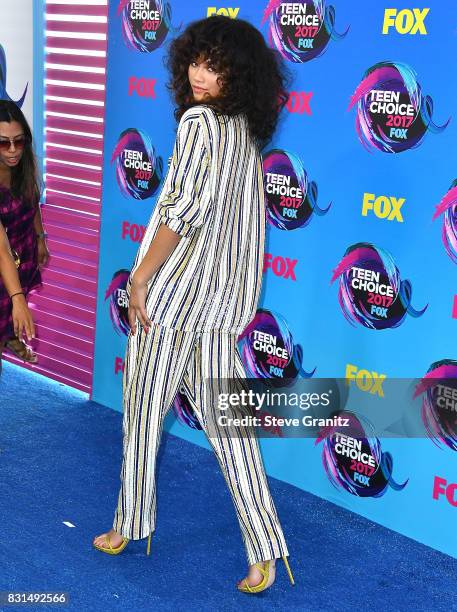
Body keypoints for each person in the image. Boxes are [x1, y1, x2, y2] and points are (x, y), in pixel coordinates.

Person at [93, 15, 295, 594]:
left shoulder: (200, 124)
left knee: (141, 414)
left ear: (239, 76)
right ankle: (265, 553)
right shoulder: (246, 134)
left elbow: (181, 213)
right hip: (217, 304)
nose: (199, 74)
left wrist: (138, 280)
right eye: (196, 60)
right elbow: (246, 230)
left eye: (216, 65)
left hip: (172, 295)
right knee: (231, 432)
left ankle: (131, 524)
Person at [0, 100, 48, 373]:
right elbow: (2, 251)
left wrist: (40, 237)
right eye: (3, 143)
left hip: (23, 252)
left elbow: (33, 201)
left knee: (10, 315)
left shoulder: (24, 165)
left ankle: (9, 335)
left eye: (19, 141)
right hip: (3, 259)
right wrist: (18, 299)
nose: (13, 150)